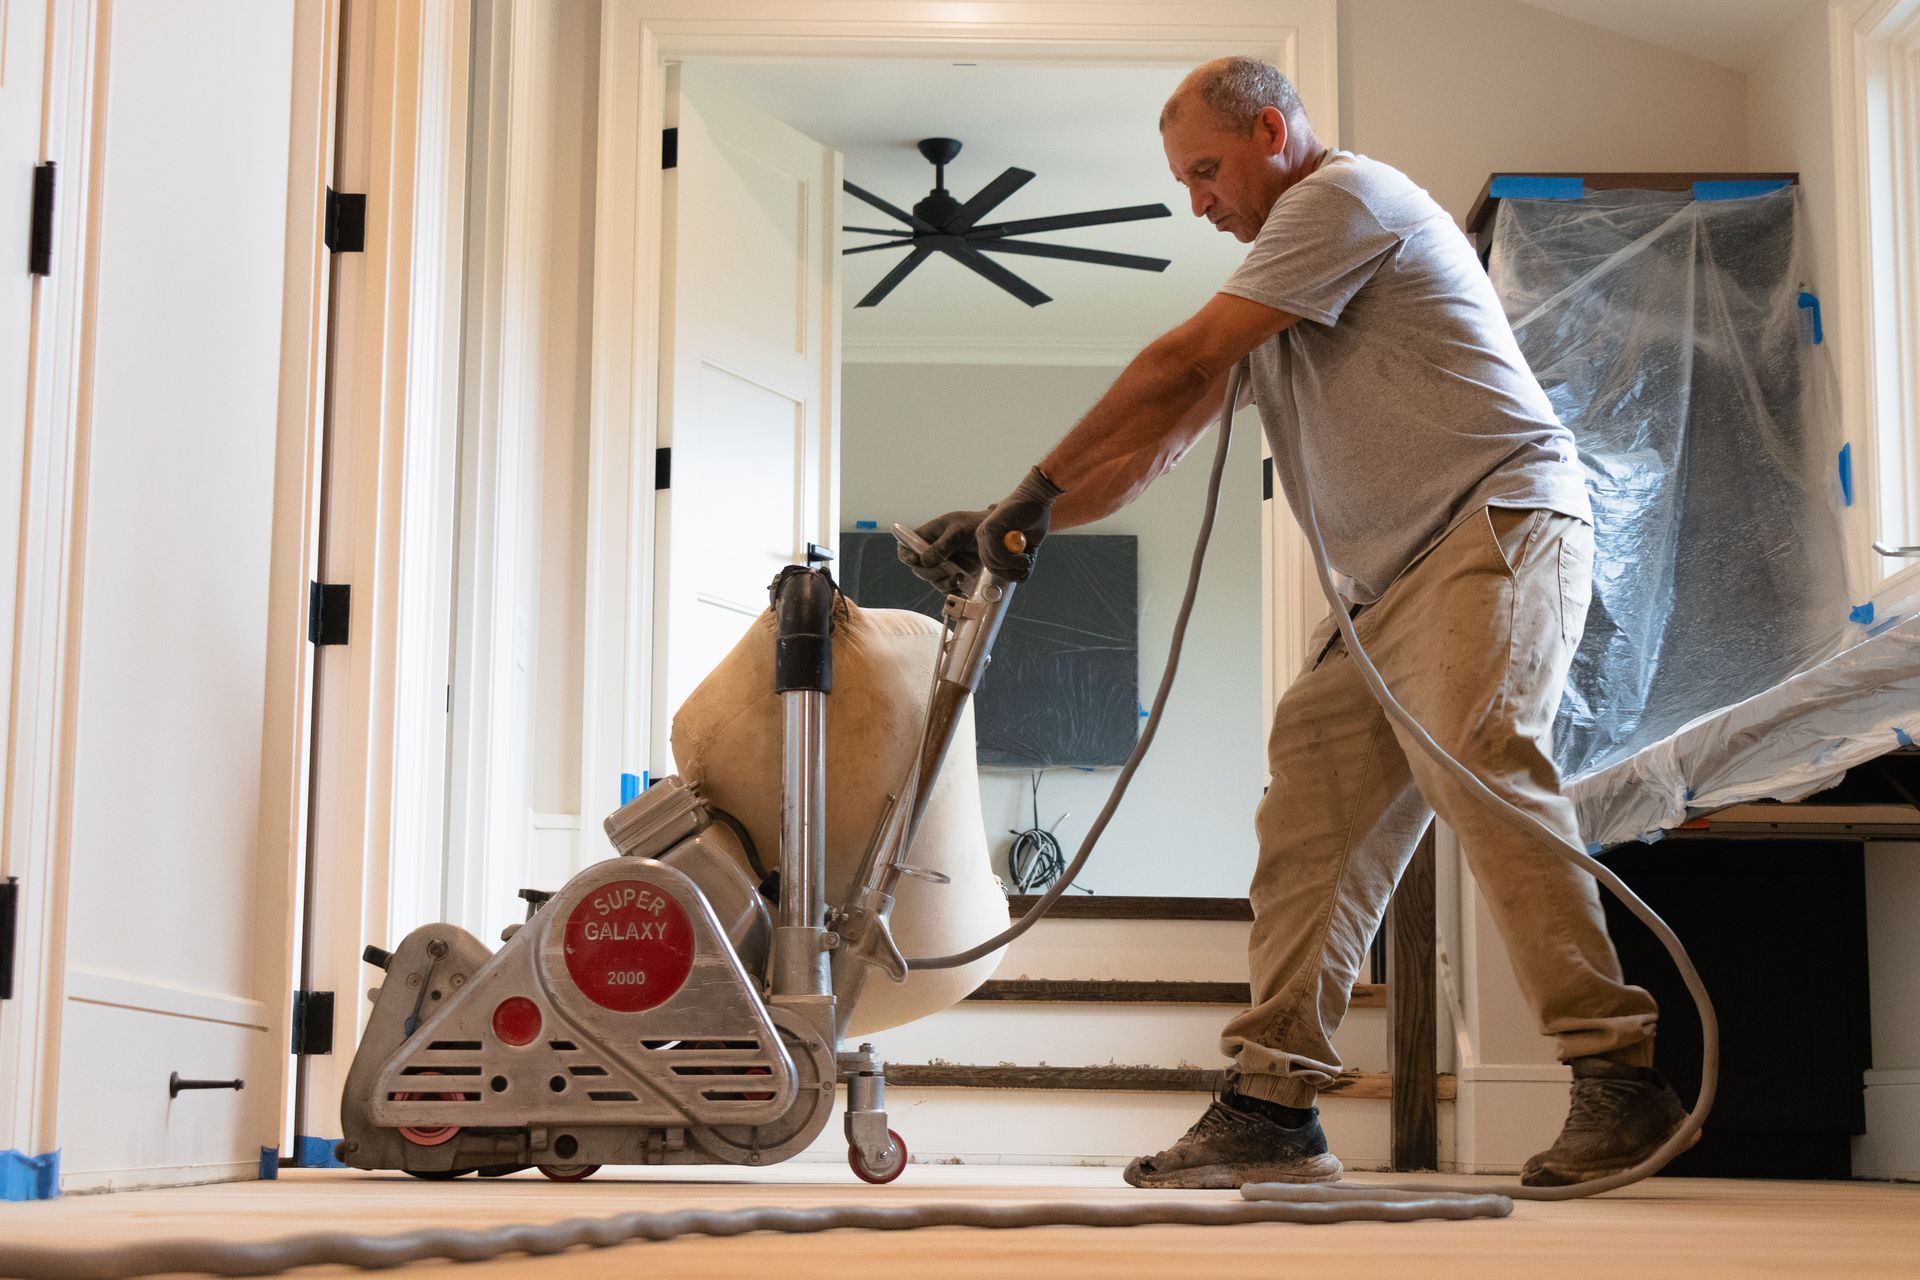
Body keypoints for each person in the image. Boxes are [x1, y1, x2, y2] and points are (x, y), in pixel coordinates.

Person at [898, 56, 1689, 1189]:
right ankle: (1272, 1105)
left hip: (1496, 520)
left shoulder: (1343, 200)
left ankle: (1620, 1077)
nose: (1197, 201)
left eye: (1207, 171)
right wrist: (1019, 518)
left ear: (1274, 130)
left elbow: (1177, 362)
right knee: (1308, 822)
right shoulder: (1281, 277)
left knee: (1481, 756)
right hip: (1382, 590)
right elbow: (1161, 438)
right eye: (1183, 182)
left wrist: (1033, 477)